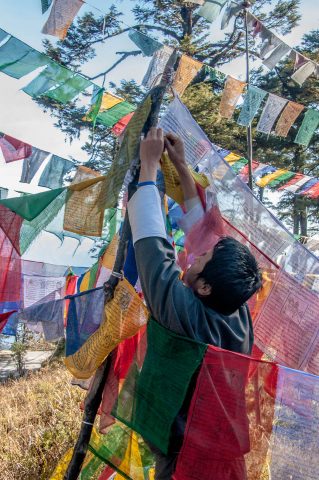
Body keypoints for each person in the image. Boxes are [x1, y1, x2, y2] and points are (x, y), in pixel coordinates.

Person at [127, 127, 262, 479]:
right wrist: (183, 168)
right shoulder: (236, 307)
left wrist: (148, 167)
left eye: (199, 262)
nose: (193, 257)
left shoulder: (183, 312)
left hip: (185, 462)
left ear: (203, 287)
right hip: (224, 454)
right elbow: (206, 237)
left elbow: (152, 247)